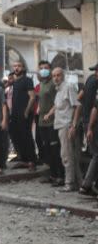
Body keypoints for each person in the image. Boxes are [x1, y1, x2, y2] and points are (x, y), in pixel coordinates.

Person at [48, 67, 80, 191]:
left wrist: (74, 125)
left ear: (63, 75)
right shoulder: (59, 90)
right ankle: (77, 182)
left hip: (67, 125)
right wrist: (49, 114)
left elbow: (77, 106)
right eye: (54, 76)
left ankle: (69, 183)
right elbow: (57, 107)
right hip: (60, 125)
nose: (56, 78)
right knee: (69, 155)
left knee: (66, 155)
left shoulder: (68, 87)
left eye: (58, 75)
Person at [36, 61, 63, 185]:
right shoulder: (41, 83)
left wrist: (49, 114)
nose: (43, 70)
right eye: (41, 68)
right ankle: (52, 175)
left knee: (55, 149)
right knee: (46, 149)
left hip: (52, 121)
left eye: (46, 68)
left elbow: (56, 103)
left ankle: (60, 176)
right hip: (42, 121)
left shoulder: (53, 84)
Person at [7, 61, 37, 168]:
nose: (16, 68)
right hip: (15, 114)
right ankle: (24, 159)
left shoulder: (27, 80)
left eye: (19, 66)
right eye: (15, 66)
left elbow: (32, 97)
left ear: (23, 68)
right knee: (18, 136)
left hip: (24, 114)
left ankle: (32, 161)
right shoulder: (14, 82)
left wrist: (27, 111)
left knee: (26, 136)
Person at [80, 63, 98, 194]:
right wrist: (90, 127)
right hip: (93, 123)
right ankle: (87, 184)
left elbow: (79, 97)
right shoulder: (93, 81)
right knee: (96, 154)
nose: (95, 73)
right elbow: (95, 108)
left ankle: (89, 185)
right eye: (95, 71)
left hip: (88, 122)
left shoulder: (89, 80)